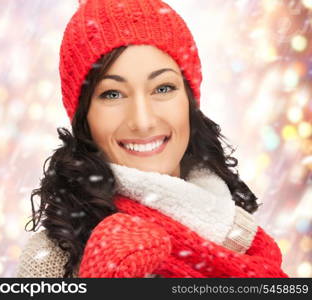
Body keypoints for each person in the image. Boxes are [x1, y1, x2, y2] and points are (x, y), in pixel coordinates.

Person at [16, 0, 289, 278]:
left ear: (189, 101)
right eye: (112, 94)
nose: (143, 121)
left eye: (163, 88)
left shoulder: (238, 234)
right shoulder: (51, 258)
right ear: (84, 117)